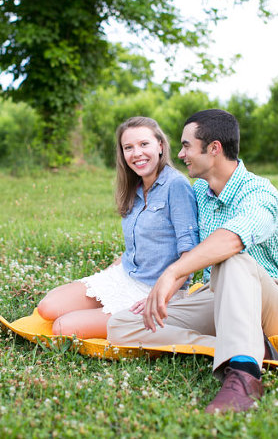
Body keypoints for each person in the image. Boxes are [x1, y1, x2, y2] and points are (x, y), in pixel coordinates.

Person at [107, 109, 278, 414]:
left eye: (186, 146)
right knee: (121, 325)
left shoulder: (260, 193)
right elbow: (174, 237)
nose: (180, 154)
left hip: (270, 303)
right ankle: (233, 346)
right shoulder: (199, 194)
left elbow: (232, 239)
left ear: (214, 148)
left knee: (232, 259)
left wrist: (171, 275)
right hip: (216, 295)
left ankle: (245, 375)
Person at [37, 117, 199, 338]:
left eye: (144, 144)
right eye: (128, 147)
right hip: (124, 276)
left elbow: (190, 257)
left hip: (155, 290)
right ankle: (102, 307)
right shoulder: (135, 186)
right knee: (47, 308)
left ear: (160, 145)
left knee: (63, 327)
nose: (137, 153)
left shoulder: (176, 186)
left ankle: (112, 313)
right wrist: (105, 278)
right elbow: (138, 248)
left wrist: (159, 298)